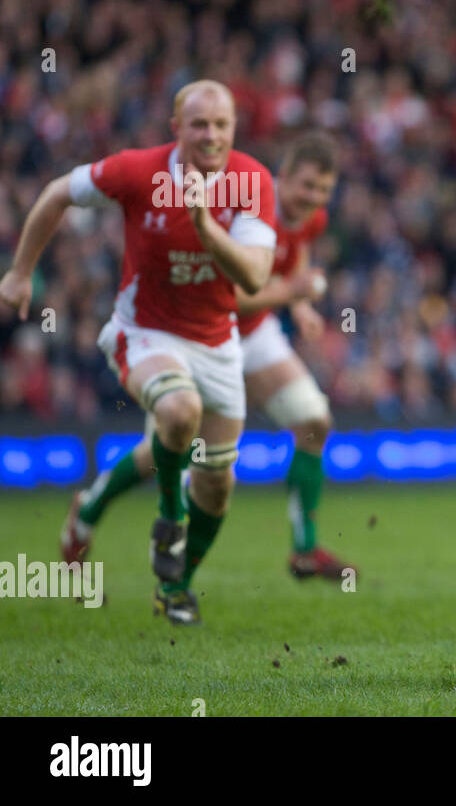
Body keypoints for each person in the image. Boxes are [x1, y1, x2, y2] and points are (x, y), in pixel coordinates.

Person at [0, 80, 277, 624]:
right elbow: (59, 192)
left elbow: (253, 275)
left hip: (218, 342)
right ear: (176, 128)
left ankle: (166, 581)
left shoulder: (252, 180)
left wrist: (202, 222)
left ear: (234, 129)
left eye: (221, 124)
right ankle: (168, 519)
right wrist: (20, 271)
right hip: (144, 331)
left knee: (216, 484)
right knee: (178, 413)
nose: (211, 135)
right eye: (199, 124)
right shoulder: (137, 171)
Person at [59, 133, 354, 580]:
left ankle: (304, 550)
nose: (313, 199)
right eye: (306, 186)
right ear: (282, 178)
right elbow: (229, 297)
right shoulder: (249, 204)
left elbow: (296, 261)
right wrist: (290, 292)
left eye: (323, 191)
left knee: (314, 422)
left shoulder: (310, 219)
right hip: (202, 332)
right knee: (163, 451)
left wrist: (299, 305)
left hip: (255, 336)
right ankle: (89, 509)